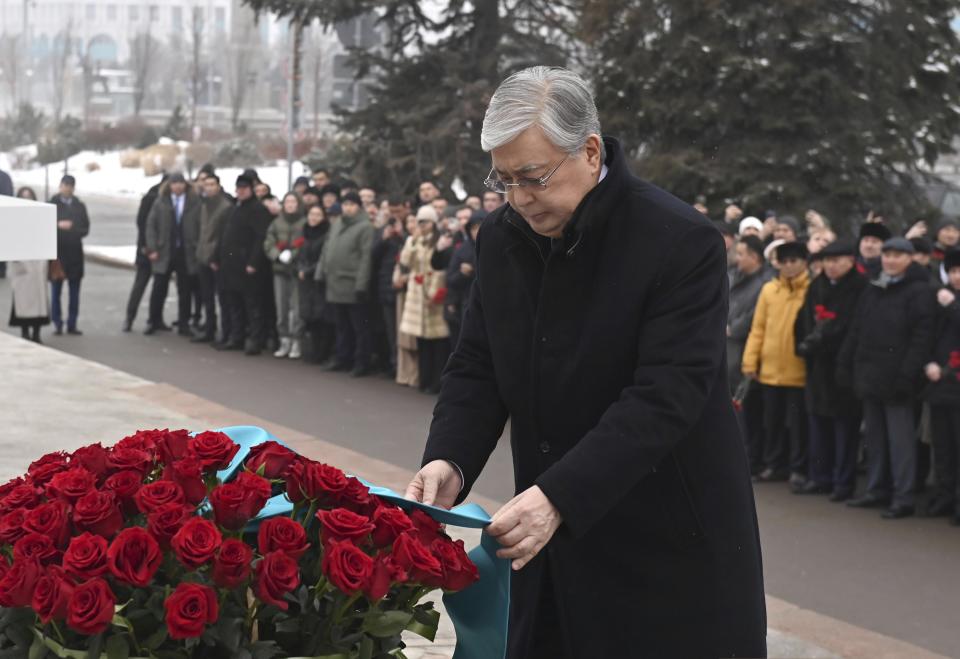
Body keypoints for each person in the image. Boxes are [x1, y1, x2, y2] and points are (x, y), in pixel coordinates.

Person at [403, 66, 764, 658]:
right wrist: (451, 458)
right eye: (504, 180)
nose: (519, 198)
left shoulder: (679, 240)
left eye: (534, 177)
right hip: (548, 545)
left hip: (665, 547)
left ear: (589, 150)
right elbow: (478, 365)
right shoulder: (501, 237)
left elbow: (667, 393)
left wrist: (561, 495)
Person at [839, 237, 936, 518]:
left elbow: (921, 338)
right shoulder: (873, 287)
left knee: (901, 441)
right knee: (875, 438)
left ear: (909, 259)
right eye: (887, 255)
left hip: (898, 380)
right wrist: (848, 363)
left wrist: (907, 375)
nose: (891, 260)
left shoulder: (919, 291)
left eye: (898, 255)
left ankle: (902, 496)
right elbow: (857, 329)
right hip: (870, 375)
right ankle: (876, 489)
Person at [794, 239, 867, 500]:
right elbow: (803, 319)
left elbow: (853, 327)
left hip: (841, 365)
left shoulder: (860, 288)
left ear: (850, 261)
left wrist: (825, 341)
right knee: (818, 424)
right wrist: (806, 344)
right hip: (817, 367)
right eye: (827, 261)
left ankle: (842, 482)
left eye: (837, 261)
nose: (831, 266)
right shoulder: (818, 285)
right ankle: (819, 476)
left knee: (844, 428)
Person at [742, 241, 811, 487]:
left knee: (797, 424)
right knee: (772, 422)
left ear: (804, 262)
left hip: (797, 370)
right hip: (770, 369)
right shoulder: (769, 290)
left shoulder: (811, 289)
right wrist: (750, 360)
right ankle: (774, 464)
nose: (790, 266)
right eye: (785, 261)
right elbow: (758, 328)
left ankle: (798, 467)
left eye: (795, 261)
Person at [316, 190, 375, 375]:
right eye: (345, 204)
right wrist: (320, 272)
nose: (348, 208)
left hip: (352, 283)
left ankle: (361, 362)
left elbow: (366, 257)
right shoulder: (337, 223)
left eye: (352, 204)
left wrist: (361, 285)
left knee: (358, 327)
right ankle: (343, 358)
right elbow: (327, 249)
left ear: (358, 206)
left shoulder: (365, 226)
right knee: (341, 325)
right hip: (335, 282)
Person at [727, 235, 772, 475]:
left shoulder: (764, 282)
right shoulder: (736, 277)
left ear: (754, 257)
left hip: (746, 353)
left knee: (748, 410)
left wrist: (732, 327)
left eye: (742, 253)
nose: (737, 258)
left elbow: (754, 317)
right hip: (732, 353)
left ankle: (750, 460)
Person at [922, 248, 960, 523]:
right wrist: (929, 363)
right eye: (954, 270)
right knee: (943, 447)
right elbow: (927, 334)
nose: (957, 276)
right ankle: (944, 496)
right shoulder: (940, 297)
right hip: (939, 386)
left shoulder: (949, 301)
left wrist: (953, 307)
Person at [216, 175, 274, 354]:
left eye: (244, 188)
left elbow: (260, 238)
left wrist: (253, 262)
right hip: (232, 264)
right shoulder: (236, 208)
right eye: (238, 188)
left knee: (253, 305)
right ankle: (237, 337)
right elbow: (227, 235)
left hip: (248, 266)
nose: (240, 191)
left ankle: (256, 340)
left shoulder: (258, 210)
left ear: (251, 189)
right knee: (235, 304)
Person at [399, 205, 451, 394]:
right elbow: (405, 262)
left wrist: (435, 292)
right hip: (416, 292)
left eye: (425, 221)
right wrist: (412, 241)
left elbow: (438, 267)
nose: (422, 225)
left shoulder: (439, 240)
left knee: (437, 339)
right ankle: (424, 378)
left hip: (432, 289)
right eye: (419, 221)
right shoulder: (414, 240)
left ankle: (437, 381)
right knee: (421, 339)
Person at [144, 172, 201, 336]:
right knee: (159, 287)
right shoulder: (161, 201)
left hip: (185, 251)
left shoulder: (193, 202)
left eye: (181, 183)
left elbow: (199, 224)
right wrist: (152, 248)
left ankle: (184, 323)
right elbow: (151, 225)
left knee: (185, 289)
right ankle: (154, 320)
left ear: (185, 185)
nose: (178, 186)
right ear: (169, 185)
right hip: (164, 251)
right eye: (174, 183)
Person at [264, 192, 307, 359]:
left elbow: (305, 242)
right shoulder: (276, 222)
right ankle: (284, 339)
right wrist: (277, 254)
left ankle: (297, 340)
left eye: (293, 202)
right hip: (280, 270)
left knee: (296, 308)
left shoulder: (304, 222)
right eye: (287, 201)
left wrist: (294, 254)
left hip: (296, 270)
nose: (290, 205)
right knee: (281, 307)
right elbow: (268, 242)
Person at [123, 175, 166, 332]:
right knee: (141, 284)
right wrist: (146, 247)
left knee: (159, 287)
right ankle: (130, 317)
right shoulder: (152, 198)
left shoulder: (164, 198)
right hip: (146, 251)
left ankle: (155, 319)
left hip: (160, 251)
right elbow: (142, 224)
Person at [372, 197, 409, 377]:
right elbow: (373, 256)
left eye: (397, 211)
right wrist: (384, 239)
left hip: (405, 287)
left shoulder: (409, 228)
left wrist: (402, 235)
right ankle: (393, 365)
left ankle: (404, 367)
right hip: (386, 285)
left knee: (403, 330)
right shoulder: (382, 230)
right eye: (391, 211)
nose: (395, 215)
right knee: (389, 329)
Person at [8, 187, 50, 342]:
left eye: (29, 197)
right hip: (22, 266)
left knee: (39, 303)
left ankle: (36, 333)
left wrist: (44, 262)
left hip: (38, 266)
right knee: (23, 303)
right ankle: (25, 332)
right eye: (23, 197)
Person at [49, 175, 90, 335]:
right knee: (56, 291)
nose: (67, 188)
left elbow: (85, 228)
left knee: (74, 292)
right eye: (65, 185)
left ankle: (72, 323)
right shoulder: (52, 204)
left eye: (70, 185)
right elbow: (44, 225)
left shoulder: (79, 206)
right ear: (60, 186)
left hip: (74, 254)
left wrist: (72, 228)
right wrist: (58, 225)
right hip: (57, 254)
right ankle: (57, 322)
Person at [193, 174, 232, 343]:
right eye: (206, 184)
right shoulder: (203, 205)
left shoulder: (225, 207)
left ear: (218, 186)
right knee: (206, 296)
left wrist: (217, 257)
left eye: (212, 184)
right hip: (203, 257)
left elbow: (225, 236)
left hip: (217, 260)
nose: (208, 188)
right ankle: (209, 328)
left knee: (222, 298)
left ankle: (226, 331)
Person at [297, 204, 335, 364]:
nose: (313, 218)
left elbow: (323, 258)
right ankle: (312, 351)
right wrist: (300, 268)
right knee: (309, 316)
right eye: (311, 214)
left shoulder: (326, 234)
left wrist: (308, 271)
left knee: (321, 317)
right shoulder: (305, 233)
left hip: (318, 280)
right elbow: (300, 255)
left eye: (317, 215)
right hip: (305, 281)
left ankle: (322, 353)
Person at [443, 211, 484, 347]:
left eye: (479, 226)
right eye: (473, 228)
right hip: (469, 305)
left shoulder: (497, 246)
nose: (476, 231)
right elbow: (450, 279)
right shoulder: (463, 250)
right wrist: (462, 273)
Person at [394, 213, 420, 388]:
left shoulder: (423, 242)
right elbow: (400, 264)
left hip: (417, 292)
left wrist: (408, 277)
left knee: (414, 337)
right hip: (403, 291)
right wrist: (397, 277)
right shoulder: (407, 241)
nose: (411, 225)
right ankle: (403, 373)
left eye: (415, 222)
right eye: (409, 221)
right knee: (402, 335)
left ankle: (415, 375)